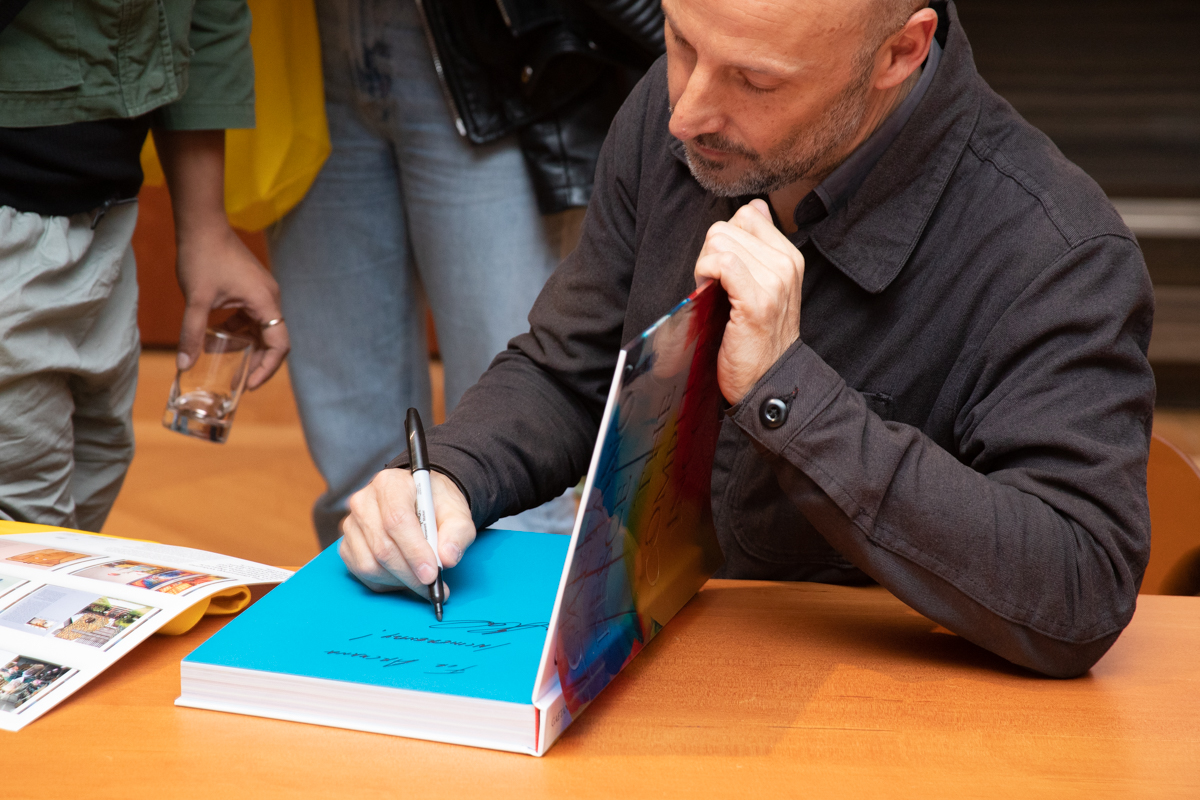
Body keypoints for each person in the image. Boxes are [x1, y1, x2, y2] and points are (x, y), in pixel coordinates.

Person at [336, 0, 1155, 678]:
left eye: (756, 81)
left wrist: (789, 394)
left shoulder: (1054, 252)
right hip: (649, 668)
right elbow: (571, 370)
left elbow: (1078, 588)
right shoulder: (681, 106)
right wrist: (449, 475)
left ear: (900, 52)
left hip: (877, 720)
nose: (685, 111)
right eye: (679, 39)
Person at [267, 0, 663, 548]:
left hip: (489, 43)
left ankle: (520, 633)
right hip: (302, 39)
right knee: (358, 486)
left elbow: (552, 389)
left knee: (514, 453)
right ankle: (370, 624)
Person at [0, 0, 289, 532]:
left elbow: (206, 15)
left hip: (106, 217)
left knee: (90, 489)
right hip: (13, 212)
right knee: (30, 541)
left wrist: (206, 226)